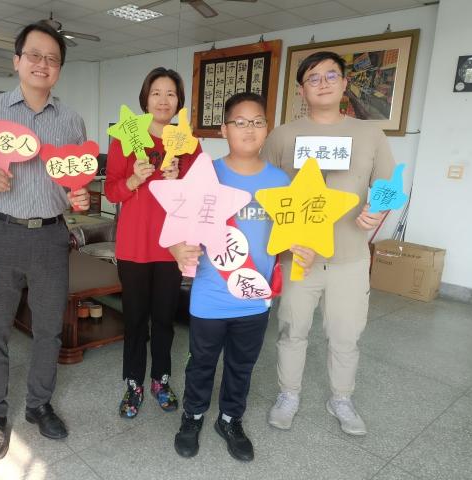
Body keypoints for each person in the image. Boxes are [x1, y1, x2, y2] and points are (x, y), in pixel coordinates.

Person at [0, 21, 90, 461]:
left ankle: (39, 405)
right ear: (16, 61)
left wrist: (80, 196)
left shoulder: (70, 119)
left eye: (52, 58)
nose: (42, 64)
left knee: (49, 329)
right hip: (0, 232)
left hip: (51, 235)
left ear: (60, 68)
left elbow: (73, 180)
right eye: (34, 55)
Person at [170, 92, 314, 461]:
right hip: (210, 295)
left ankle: (230, 419)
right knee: (201, 363)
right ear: (224, 129)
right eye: (240, 122)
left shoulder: (281, 181)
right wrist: (177, 250)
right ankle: (193, 416)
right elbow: (175, 228)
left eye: (257, 122)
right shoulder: (206, 175)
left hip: (254, 296)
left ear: (267, 128)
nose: (249, 129)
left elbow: (288, 236)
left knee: (241, 366)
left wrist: (303, 249)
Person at [261, 51, 394, 436]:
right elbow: (263, 189)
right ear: (301, 90)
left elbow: (387, 185)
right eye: (313, 78)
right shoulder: (283, 135)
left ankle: (341, 398)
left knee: (345, 335)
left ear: (345, 83)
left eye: (331, 75)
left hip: (349, 258)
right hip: (298, 257)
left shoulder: (370, 134)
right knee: (292, 330)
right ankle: (289, 394)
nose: (323, 83)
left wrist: (377, 212)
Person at [105, 67, 202, 419]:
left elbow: (200, 193)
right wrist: (133, 179)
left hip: (171, 246)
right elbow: (111, 190)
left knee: (164, 319)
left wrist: (180, 180)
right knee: (134, 320)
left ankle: (161, 379)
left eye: (170, 93)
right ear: (145, 99)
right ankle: (133, 384)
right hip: (133, 244)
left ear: (179, 101)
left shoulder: (188, 143)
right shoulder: (125, 138)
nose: (163, 100)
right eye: (156, 93)